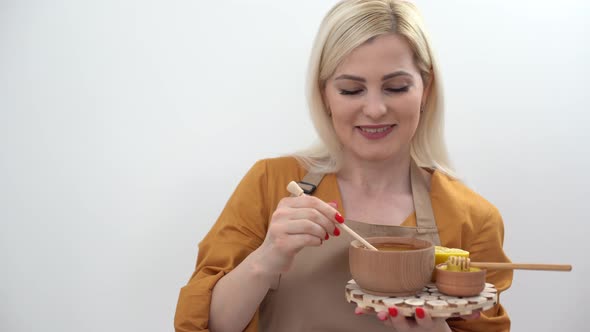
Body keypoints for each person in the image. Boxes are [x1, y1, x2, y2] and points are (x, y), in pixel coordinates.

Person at [174, 0, 513, 331]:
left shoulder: (473, 219)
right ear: (325, 95)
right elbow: (206, 325)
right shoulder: (270, 183)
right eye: (351, 90)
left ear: (425, 89)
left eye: (396, 87)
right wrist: (266, 260)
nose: (376, 109)